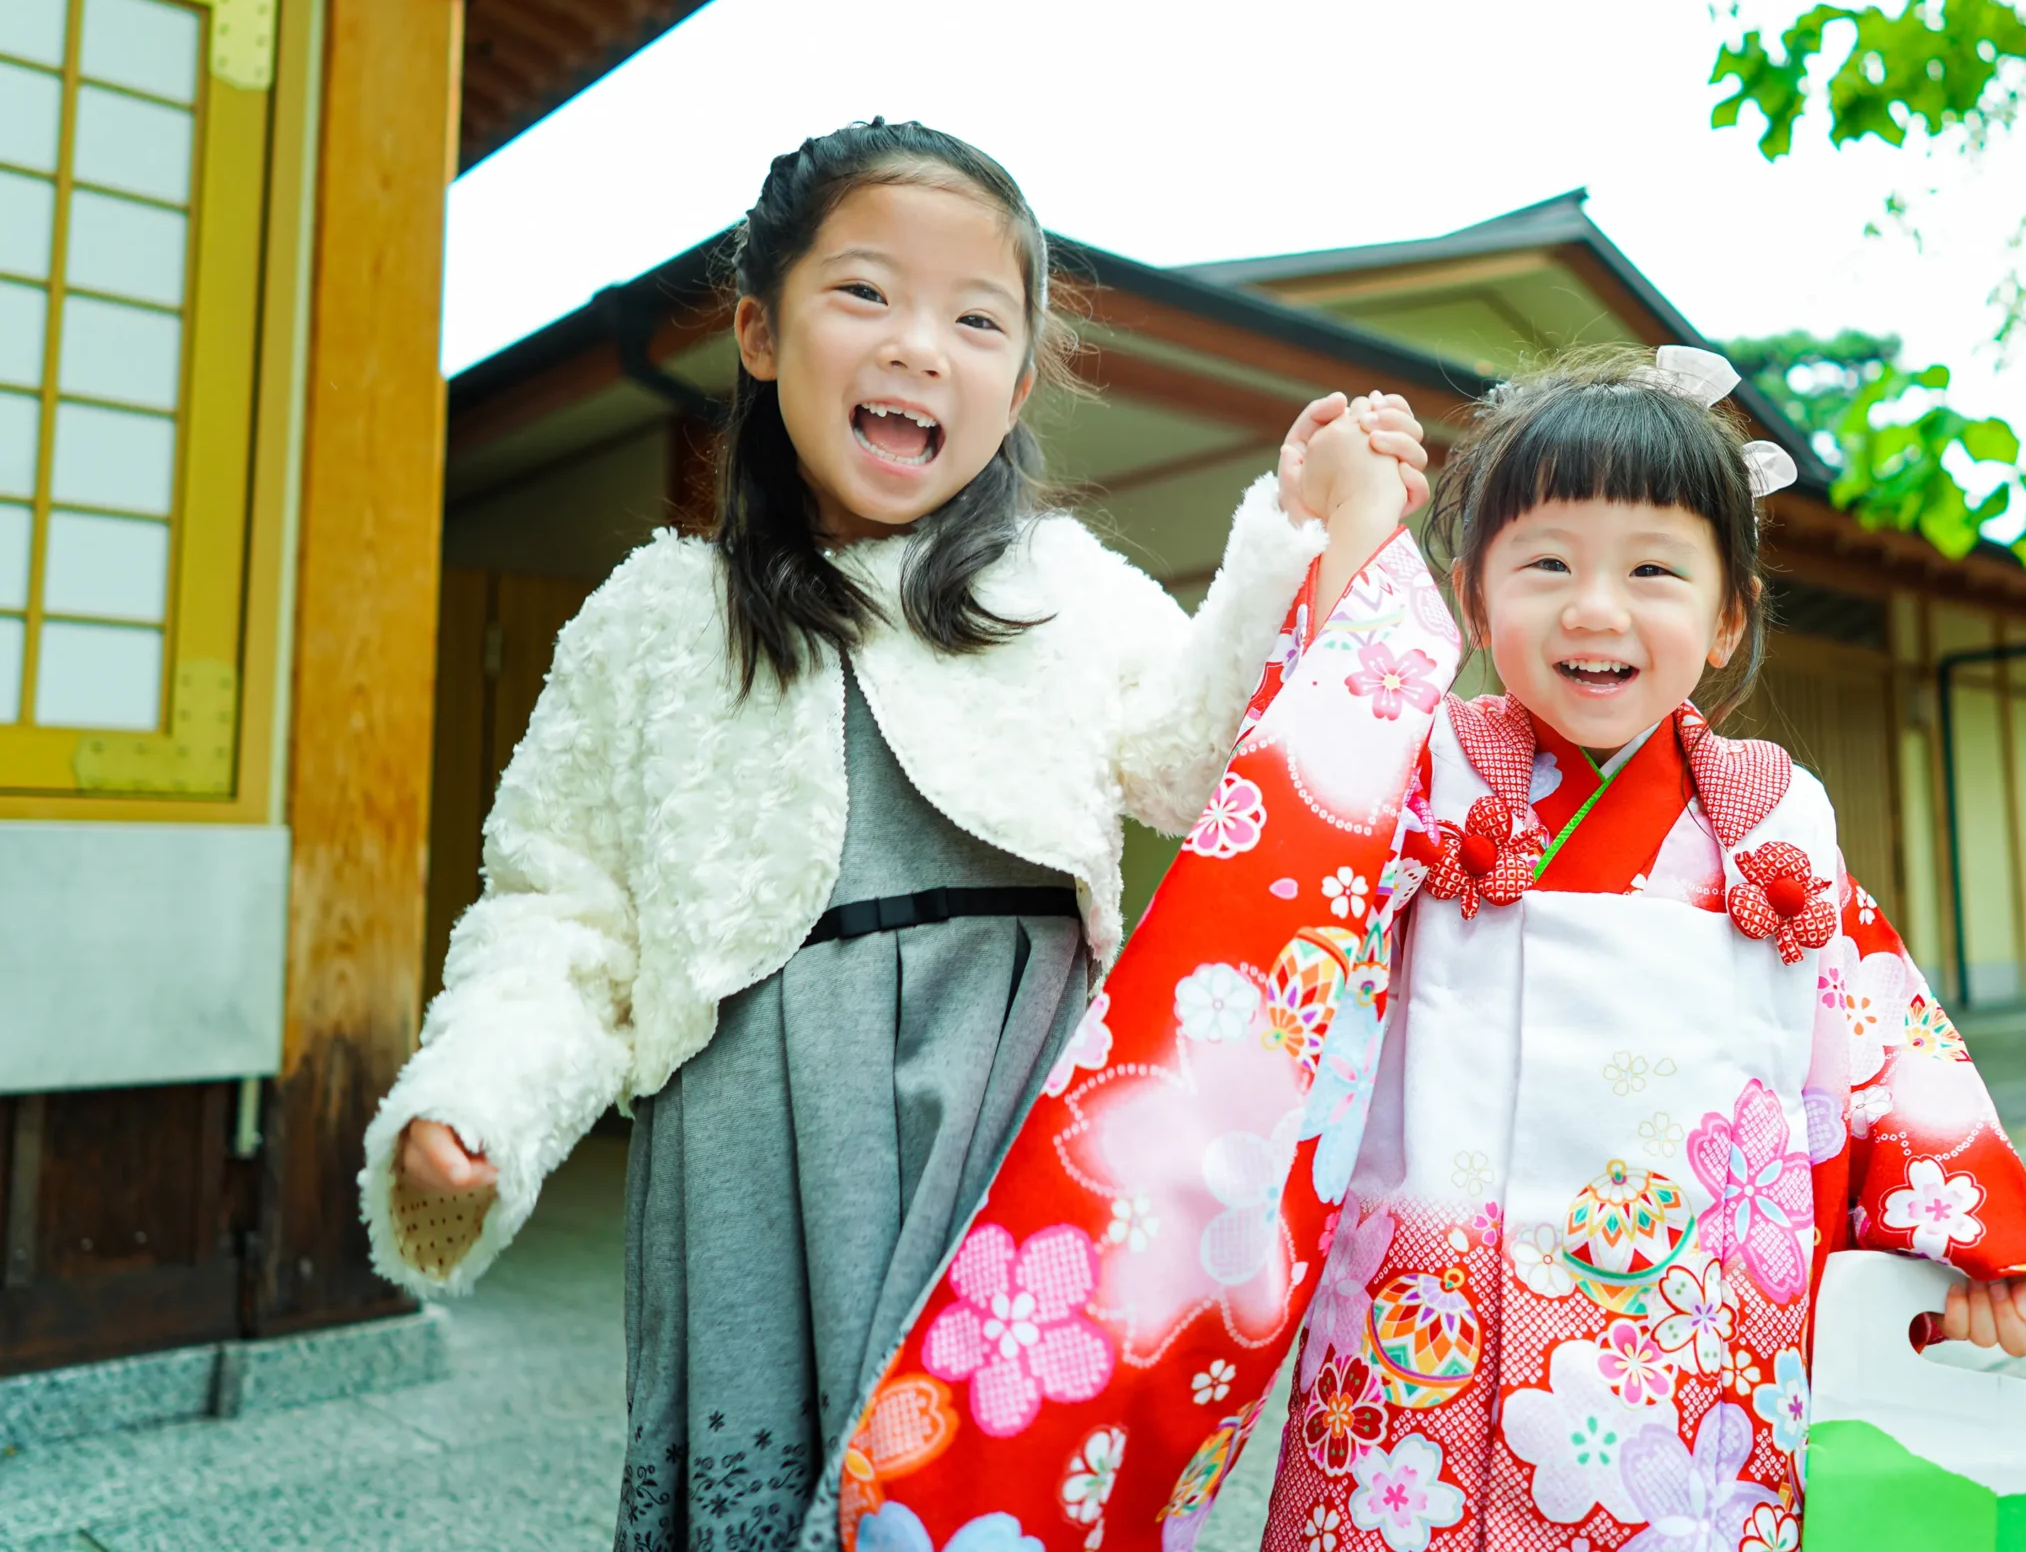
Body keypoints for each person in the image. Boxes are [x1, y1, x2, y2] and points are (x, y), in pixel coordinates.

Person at [355, 118, 1428, 1551]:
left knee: (981, 1483)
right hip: (753, 1132)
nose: (922, 344)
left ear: (1018, 380)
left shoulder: (1060, 585)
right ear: (757, 329)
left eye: (977, 318)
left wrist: (1292, 536)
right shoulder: (649, 627)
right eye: (865, 292)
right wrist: (473, 1094)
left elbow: (1198, 755)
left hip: (1012, 1112)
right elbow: (559, 908)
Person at [1244, 346, 2026, 1551]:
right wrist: (1352, 523)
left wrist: (1978, 1243)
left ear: (1727, 613)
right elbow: (1311, 759)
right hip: (1423, 1337)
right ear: (1474, 602)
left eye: (1652, 569)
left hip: (1683, 1355)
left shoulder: (1771, 824)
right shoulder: (1419, 778)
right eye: (1546, 565)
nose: (1596, 608)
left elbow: (1880, 1044)